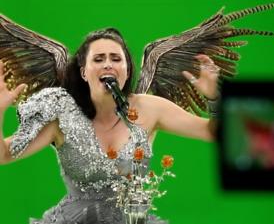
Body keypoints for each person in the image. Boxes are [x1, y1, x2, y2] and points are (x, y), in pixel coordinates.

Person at [0, 28, 219, 224]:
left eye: (116, 59)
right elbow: (5, 155)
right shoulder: (61, 115)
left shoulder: (151, 109)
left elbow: (212, 132)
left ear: (127, 69)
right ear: (84, 72)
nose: (108, 64)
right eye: (98, 59)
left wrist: (214, 97)